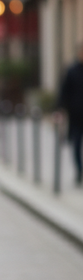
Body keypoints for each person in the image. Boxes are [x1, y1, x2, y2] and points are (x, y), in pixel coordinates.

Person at [58, 44, 83, 185]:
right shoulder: (72, 71)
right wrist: (60, 108)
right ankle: (79, 170)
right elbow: (64, 91)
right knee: (76, 145)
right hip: (76, 116)